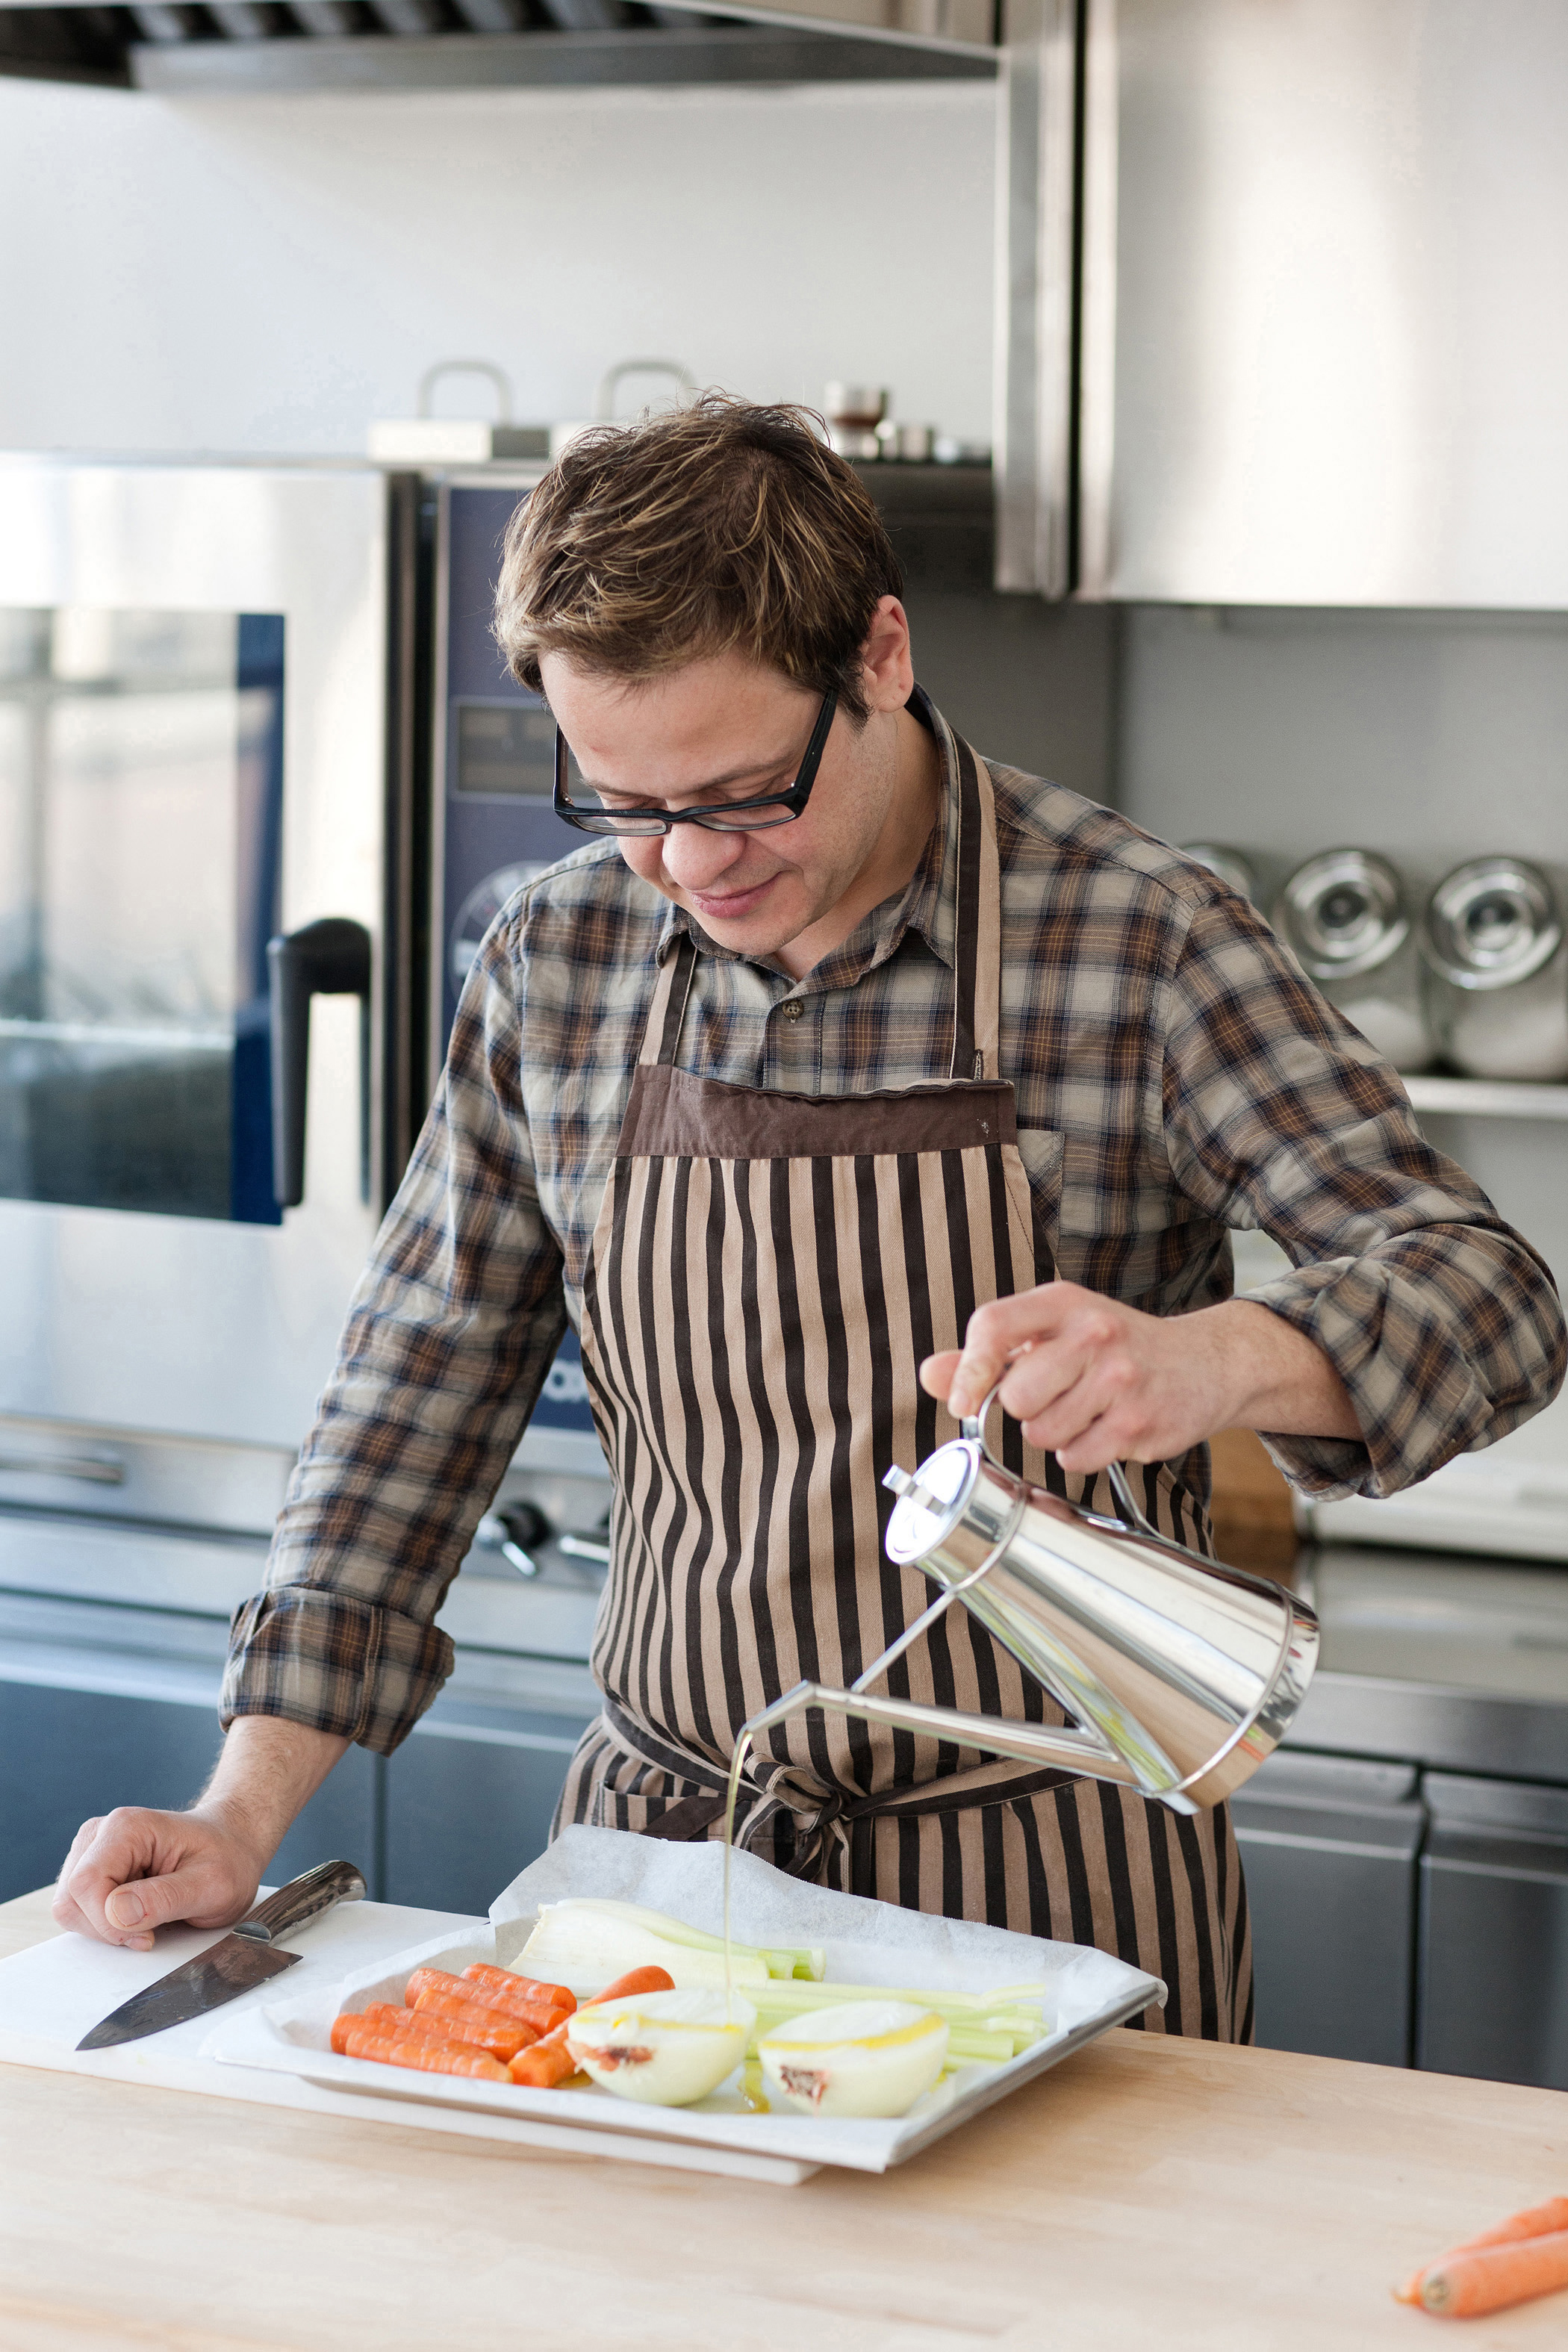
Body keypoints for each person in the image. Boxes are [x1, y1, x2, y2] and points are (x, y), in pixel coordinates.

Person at [55, 397, 1564, 2040]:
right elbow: (415, 1388)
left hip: (1054, 1890)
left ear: (883, 656)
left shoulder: (1138, 942)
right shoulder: (555, 965)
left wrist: (1224, 1360)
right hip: (663, 1888)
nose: (689, 861)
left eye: (742, 792)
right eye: (620, 803)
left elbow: (1486, 1295)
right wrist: (238, 1814)